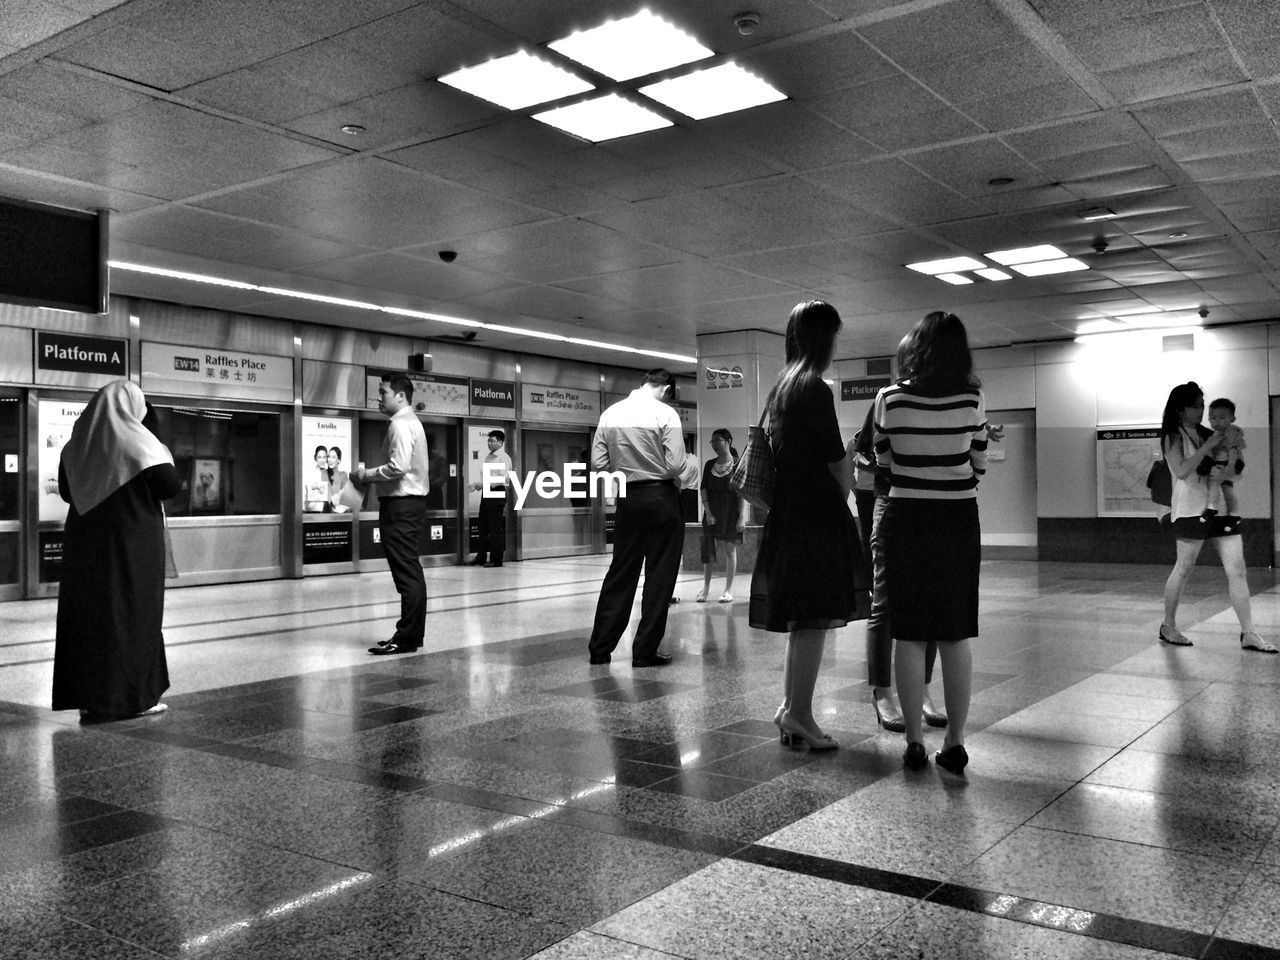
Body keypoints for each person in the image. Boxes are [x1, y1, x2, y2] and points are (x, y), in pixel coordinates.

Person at [749, 301, 870, 750]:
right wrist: (849, 476)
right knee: (814, 620)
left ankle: (789, 708)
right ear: (824, 340)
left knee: (802, 620)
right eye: (835, 336)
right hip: (817, 520)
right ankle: (799, 713)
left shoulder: (781, 389)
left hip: (788, 517)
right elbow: (837, 464)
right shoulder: (815, 390)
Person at [873, 311, 987, 773]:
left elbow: (884, 459)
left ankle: (915, 742)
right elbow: (978, 460)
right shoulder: (973, 397)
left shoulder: (888, 398)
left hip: (907, 517)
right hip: (957, 518)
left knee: (910, 632)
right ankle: (954, 742)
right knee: (955, 633)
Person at [53, 380, 181, 721]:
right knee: (133, 614)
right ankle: (134, 698)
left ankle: (91, 699)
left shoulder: (75, 446)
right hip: (132, 547)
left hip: (85, 549)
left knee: (90, 619)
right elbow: (171, 485)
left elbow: (67, 492)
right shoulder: (139, 442)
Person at [587, 368, 699, 667]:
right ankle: (644, 651)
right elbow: (675, 465)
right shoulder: (666, 415)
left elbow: (598, 463)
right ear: (666, 390)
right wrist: (687, 463)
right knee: (659, 577)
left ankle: (600, 649)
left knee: (620, 574)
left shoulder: (610, 414)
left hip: (628, 500)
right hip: (661, 499)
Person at [1159, 382, 1276, 653]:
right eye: (1196, 405)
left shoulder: (1210, 433)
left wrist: (1228, 468)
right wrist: (1207, 445)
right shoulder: (1172, 436)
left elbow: (1234, 467)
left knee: (1238, 569)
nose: (1201, 410)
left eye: (1202, 405)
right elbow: (1182, 471)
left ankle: (1249, 632)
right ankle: (1168, 625)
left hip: (1220, 507)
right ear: (1180, 409)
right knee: (1185, 566)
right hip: (1189, 509)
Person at [352, 375, 430, 656]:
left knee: (406, 572)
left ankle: (407, 637)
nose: (379, 397)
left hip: (401, 505)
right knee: (409, 569)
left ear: (400, 396)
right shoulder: (412, 422)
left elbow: (398, 467)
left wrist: (365, 475)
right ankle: (409, 634)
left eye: (383, 392)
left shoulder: (400, 424)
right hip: (408, 504)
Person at [696, 428, 744, 603]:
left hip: (731, 512)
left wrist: (741, 518)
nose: (714, 444)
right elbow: (704, 489)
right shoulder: (709, 464)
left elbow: (741, 493)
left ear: (728, 441)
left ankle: (728, 590)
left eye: (718, 440)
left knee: (730, 550)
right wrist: (708, 512)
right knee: (708, 551)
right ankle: (706, 588)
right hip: (712, 512)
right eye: (712, 441)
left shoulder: (738, 464)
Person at [467, 429, 512, 567]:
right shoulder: (488, 457)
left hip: (497, 491)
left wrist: (482, 484)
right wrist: (477, 485)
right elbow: (485, 476)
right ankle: (481, 557)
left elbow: (501, 478)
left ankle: (496, 559)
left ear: (500, 442)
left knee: (495, 528)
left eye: (492, 441)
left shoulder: (504, 457)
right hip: (486, 491)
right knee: (483, 527)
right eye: (488, 441)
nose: (489, 443)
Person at [1199, 398, 1244, 527]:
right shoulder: (1216, 434)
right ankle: (1220, 509)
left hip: (1226, 464)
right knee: (1221, 487)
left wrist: (1230, 466)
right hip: (1218, 464)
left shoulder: (1231, 432)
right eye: (1212, 418)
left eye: (1222, 417)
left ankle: (1227, 511)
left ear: (1232, 419)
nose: (1217, 421)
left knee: (1223, 488)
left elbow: (1233, 450)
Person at [304, 445, 330, 512]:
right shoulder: (310, 474)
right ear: (315, 458)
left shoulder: (329, 473)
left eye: (324, 457)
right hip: (315, 510)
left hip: (329, 509)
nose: (322, 460)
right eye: (319, 457)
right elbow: (308, 495)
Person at [326, 446, 349, 511]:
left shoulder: (343, 475)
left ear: (339, 460)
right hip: (324, 510)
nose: (330, 460)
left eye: (333, 457)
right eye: (329, 457)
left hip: (337, 510)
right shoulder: (323, 473)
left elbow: (345, 496)